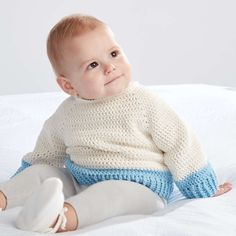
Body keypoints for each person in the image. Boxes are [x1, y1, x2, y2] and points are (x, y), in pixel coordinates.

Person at [0, 13, 232, 233]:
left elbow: (180, 142)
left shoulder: (143, 102)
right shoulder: (66, 114)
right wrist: (25, 180)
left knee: (110, 195)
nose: (110, 66)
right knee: (45, 173)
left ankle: (58, 218)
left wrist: (201, 185)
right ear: (68, 86)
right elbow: (45, 154)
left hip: (140, 187)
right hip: (80, 180)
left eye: (113, 54)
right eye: (92, 65)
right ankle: (4, 198)